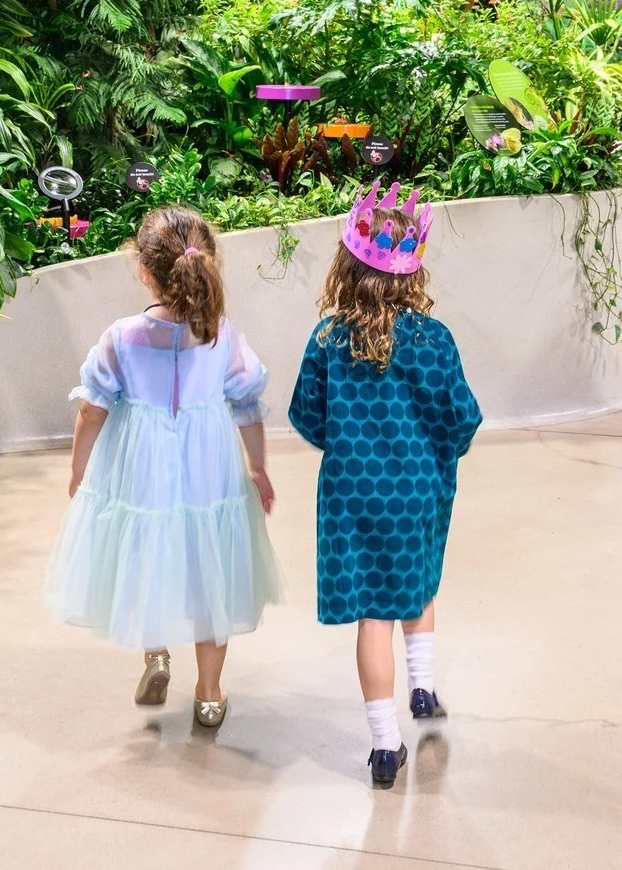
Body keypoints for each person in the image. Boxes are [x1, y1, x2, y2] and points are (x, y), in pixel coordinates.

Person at [44, 205, 279, 727]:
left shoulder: (122, 337)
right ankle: (210, 694)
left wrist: (80, 469)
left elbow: (91, 409)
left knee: (144, 552)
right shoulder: (220, 335)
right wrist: (257, 467)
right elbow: (246, 407)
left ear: (144, 270)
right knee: (211, 570)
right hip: (208, 469)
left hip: (141, 470)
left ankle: (155, 656)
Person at [288, 182, 482, 790]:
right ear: (411, 273)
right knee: (418, 576)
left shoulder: (326, 340)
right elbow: (461, 417)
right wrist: (440, 452)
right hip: (417, 485)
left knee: (374, 609)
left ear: (346, 265)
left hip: (352, 491)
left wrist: (351, 444)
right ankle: (422, 689)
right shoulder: (432, 339)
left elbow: (306, 416)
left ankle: (383, 746)